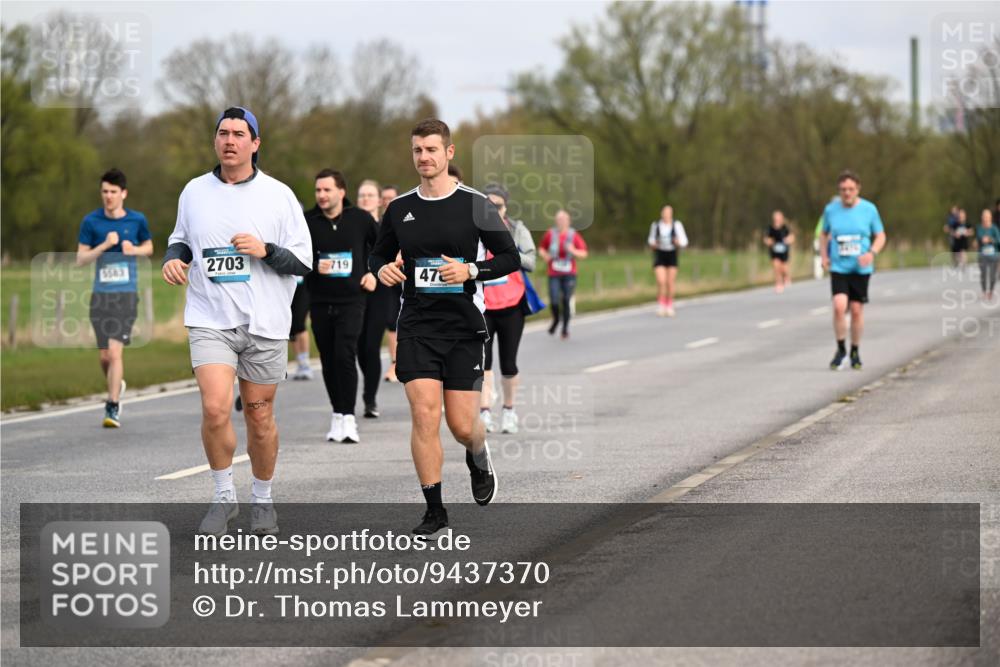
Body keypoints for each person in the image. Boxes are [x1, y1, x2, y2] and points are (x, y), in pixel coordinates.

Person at [162, 106, 312, 536]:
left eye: (239, 134)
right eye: (223, 133)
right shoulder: (194, 191)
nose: (230, 140)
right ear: (215, 140)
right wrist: (174, 259)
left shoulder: (278, 195)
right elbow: (180, 241)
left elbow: (303, 261)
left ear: (255, 143)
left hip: (265, 322)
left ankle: (262, 500)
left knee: (259, 417)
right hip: (210, 316)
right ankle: (223, 496)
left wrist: (266, 250)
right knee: (214, 408)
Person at [369, 118, 520, 537]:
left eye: (431, 149)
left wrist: (470, 270)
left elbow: (509, 257)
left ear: (449, 153)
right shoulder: (399, 208)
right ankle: (435, 511)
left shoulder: (476, 204)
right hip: (417, 326)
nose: (424, 157)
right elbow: (378, 255)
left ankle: (478, 453)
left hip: (463, 328)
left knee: (462, 426)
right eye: (417, 150)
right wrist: (381, 270)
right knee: (423, 415)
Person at [76, 168, 153, 428]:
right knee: (104, 357)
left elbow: (150, 248)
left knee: (115, 352)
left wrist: (135, 249)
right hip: (100, 296)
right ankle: (116, 383)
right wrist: (104, 245)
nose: (108, 196)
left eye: (113, 192)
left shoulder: (137, 220)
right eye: (104, 192)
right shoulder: (91, 222)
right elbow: (81, 259)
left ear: (124, 193)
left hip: (126, 295)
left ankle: (112, 406)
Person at [304, 169, 377, 443]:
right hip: (320, 300)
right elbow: (295, 257)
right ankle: (337, 414)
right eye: (318, 190)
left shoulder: (360, 219)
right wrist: (314, 265)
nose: (322, 195)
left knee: (345, 354)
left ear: (341, 192)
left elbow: (383, 247)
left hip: (352, 300)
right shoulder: (307, 222)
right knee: (328, 358)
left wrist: (374, 273)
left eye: (327, 190)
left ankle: (349, 417)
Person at [478, 184, 536, 434]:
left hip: (512, 304)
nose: (493, 210)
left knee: (509, 362)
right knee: (484, 362)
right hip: (483, 305)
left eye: (498, 206)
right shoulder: (474, 229)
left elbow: (531, 262)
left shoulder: (517, 229)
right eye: (488, 206)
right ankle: (484, 412)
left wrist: (508, 252)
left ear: (506, 207)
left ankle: (509, 410)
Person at [820, 170, 887, 371]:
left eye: (850, 189)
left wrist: (872, 253)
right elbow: (823, 234)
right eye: (843, 190)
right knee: (839, 306)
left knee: (856, 310)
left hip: (860, 268)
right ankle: (841, 348)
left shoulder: (869, 209)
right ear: (839, 191)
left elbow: (881, 235)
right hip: (839, 266)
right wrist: (824, 256)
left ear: (858, 189)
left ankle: (855, 350)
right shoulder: (831, 210)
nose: (847, 193)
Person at [356, 179, 390, 417]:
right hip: (355, 292)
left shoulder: (386, 228)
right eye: (362, 195)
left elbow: (391, 256)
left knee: (371, 346)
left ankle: (370, 399)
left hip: (380, 292)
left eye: (370, 195)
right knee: (359, 347)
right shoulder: (351, 227)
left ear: (379, 201)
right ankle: (369, 387)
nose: (365, 199)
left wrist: (375, 275)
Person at [646, 204, 688, 316]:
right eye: (665, 213)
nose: (666, 215)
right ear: (662, 213)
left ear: (671, 214)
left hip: (672, 253)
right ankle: (661, 305)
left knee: (670, 282)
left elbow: (684, 241)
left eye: (668, 213)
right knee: (661, 281)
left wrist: (678, 242)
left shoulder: (677, 225)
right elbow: (650, 240)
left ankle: (669, 305)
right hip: (660, 254)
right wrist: (654, 244)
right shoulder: (656, 225)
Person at [380, 185, 402, 385]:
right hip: (389, 278)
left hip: (409, 277)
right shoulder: (379, 224)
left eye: (391, 198)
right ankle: (394, 364)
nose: (387, 201)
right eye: (384, 198)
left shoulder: (406, 218)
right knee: (391, 320)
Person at [763, 210, 795, 293]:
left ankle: (786, 276)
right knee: (776, 267)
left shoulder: (785, 228)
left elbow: (792, 237)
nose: (777, 220)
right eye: (776, 219)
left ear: (782, 219)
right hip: (774, 252)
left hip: (784, 252)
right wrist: (769, 242)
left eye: (779, 219)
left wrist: (788, 240)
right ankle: (778, 284)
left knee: (784, 269)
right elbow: (766, 239)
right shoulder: (770, 229)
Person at [976, 208, 999, 300]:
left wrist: (990, 240)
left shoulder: (994, 228)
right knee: (983, 274)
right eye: (984, 216)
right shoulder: (979, 228)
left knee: (993, 275)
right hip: (982, 255)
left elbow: (998, 240)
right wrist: (980, 241)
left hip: (994, 255)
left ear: (990, 217)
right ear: (982, 217)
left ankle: (991, 291)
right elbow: (978, 239)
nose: (985, 218)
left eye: (987, 216)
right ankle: (984, 291)